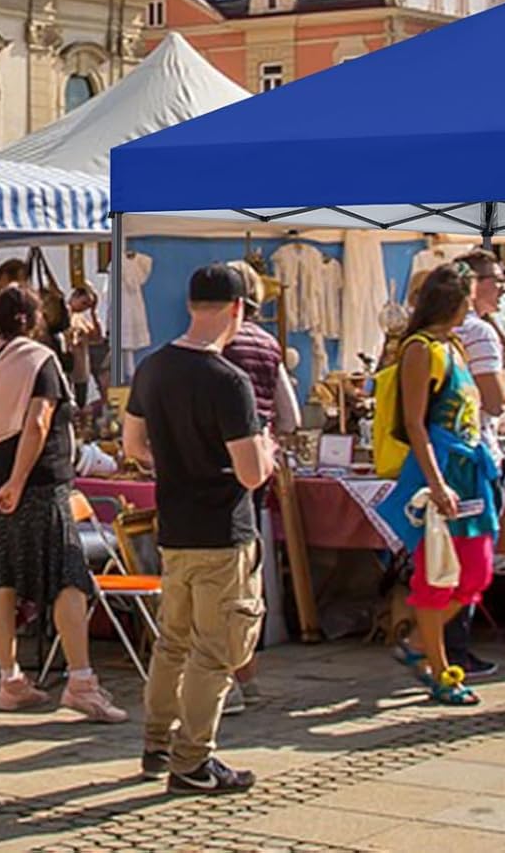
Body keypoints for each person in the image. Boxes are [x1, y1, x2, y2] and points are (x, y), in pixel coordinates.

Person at [124, 264, 275, 795]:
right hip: (221, 529)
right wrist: (269, 451)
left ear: (190, 306)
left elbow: (132, 448)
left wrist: (172, 464)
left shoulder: (152, 368)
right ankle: (192, 760)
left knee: (171, 643)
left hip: (175, 527)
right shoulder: (227, 381)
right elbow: (251, 473)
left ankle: (156, 743)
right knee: (215, 650)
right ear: (237, 309)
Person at [0, 285, 125, 722]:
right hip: (37, 488)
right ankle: (81, 683)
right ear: (37, 318)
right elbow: (39, 422)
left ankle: (11, 681)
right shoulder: (38, 359)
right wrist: (19, 482)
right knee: (68, 579)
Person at [381, 263, 501, 707]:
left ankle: (415, 640)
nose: (473, 304)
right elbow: (415, 423)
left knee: (476, 572)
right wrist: (435, 483)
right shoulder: (420, 348)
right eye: (469, 296)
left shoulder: (455, 347)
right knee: (437, 574)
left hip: (469, 474)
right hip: (441, 473)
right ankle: (439, 668)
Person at [220, 261, 300, 712]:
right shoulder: (268, 346)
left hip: (214, 470)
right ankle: (244, 669)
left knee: (221, 577)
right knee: (244, 573)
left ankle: (232, 673)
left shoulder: (213, 347)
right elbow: (287, 417)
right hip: (255, 467)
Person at [444, 248, 505, 681]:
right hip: (476, 455)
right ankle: (447, 645)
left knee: (445, 558)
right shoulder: (479, 334)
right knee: (474, 559)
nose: (503, 288)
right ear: (472, 284)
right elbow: (493, 399)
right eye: (496, 279)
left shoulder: (430, 332)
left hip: (445, 456)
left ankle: (438, 644)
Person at [66, 283, 103, 410]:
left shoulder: (81, 318)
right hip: (67, 367)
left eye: (87, 306)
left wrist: (94, 313)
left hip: (81, 370)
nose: (84, 308)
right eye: (84, 303)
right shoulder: (62, 315)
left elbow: (97, 337)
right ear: (75, 297)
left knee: (81, 404)